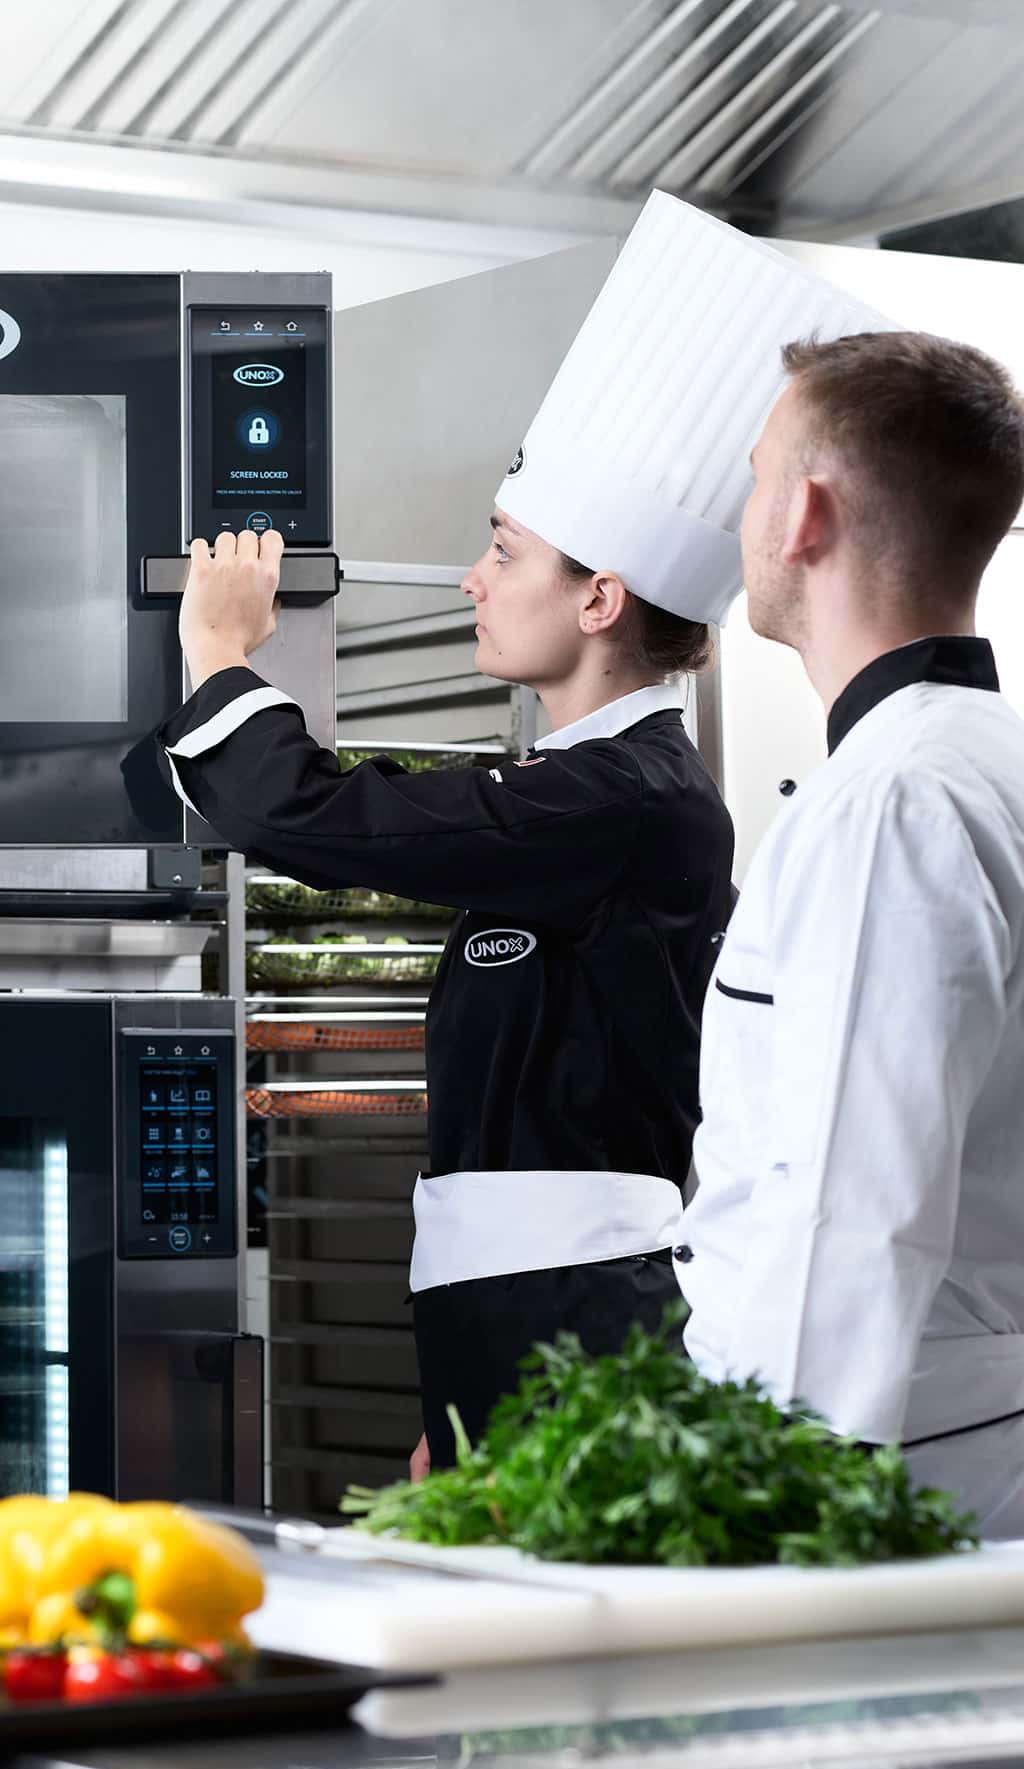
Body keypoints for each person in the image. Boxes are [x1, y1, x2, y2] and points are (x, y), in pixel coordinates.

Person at [156, 193, 884, 1476]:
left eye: (502, 551)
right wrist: (465, 1395)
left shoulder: (629, 801)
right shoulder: (571, 794)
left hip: (585, 1316)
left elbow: (322, 810)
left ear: (598, 597)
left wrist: (220, 650)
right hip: (516, 1321)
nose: (469, 580)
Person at [677, 329, 1024, 1537]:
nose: (743, 512)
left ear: (803, 515)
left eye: (758, 473)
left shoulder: (896, 800)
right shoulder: (983, 761)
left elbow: (851, 1202)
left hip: (887, 1462)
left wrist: (762, 1505)